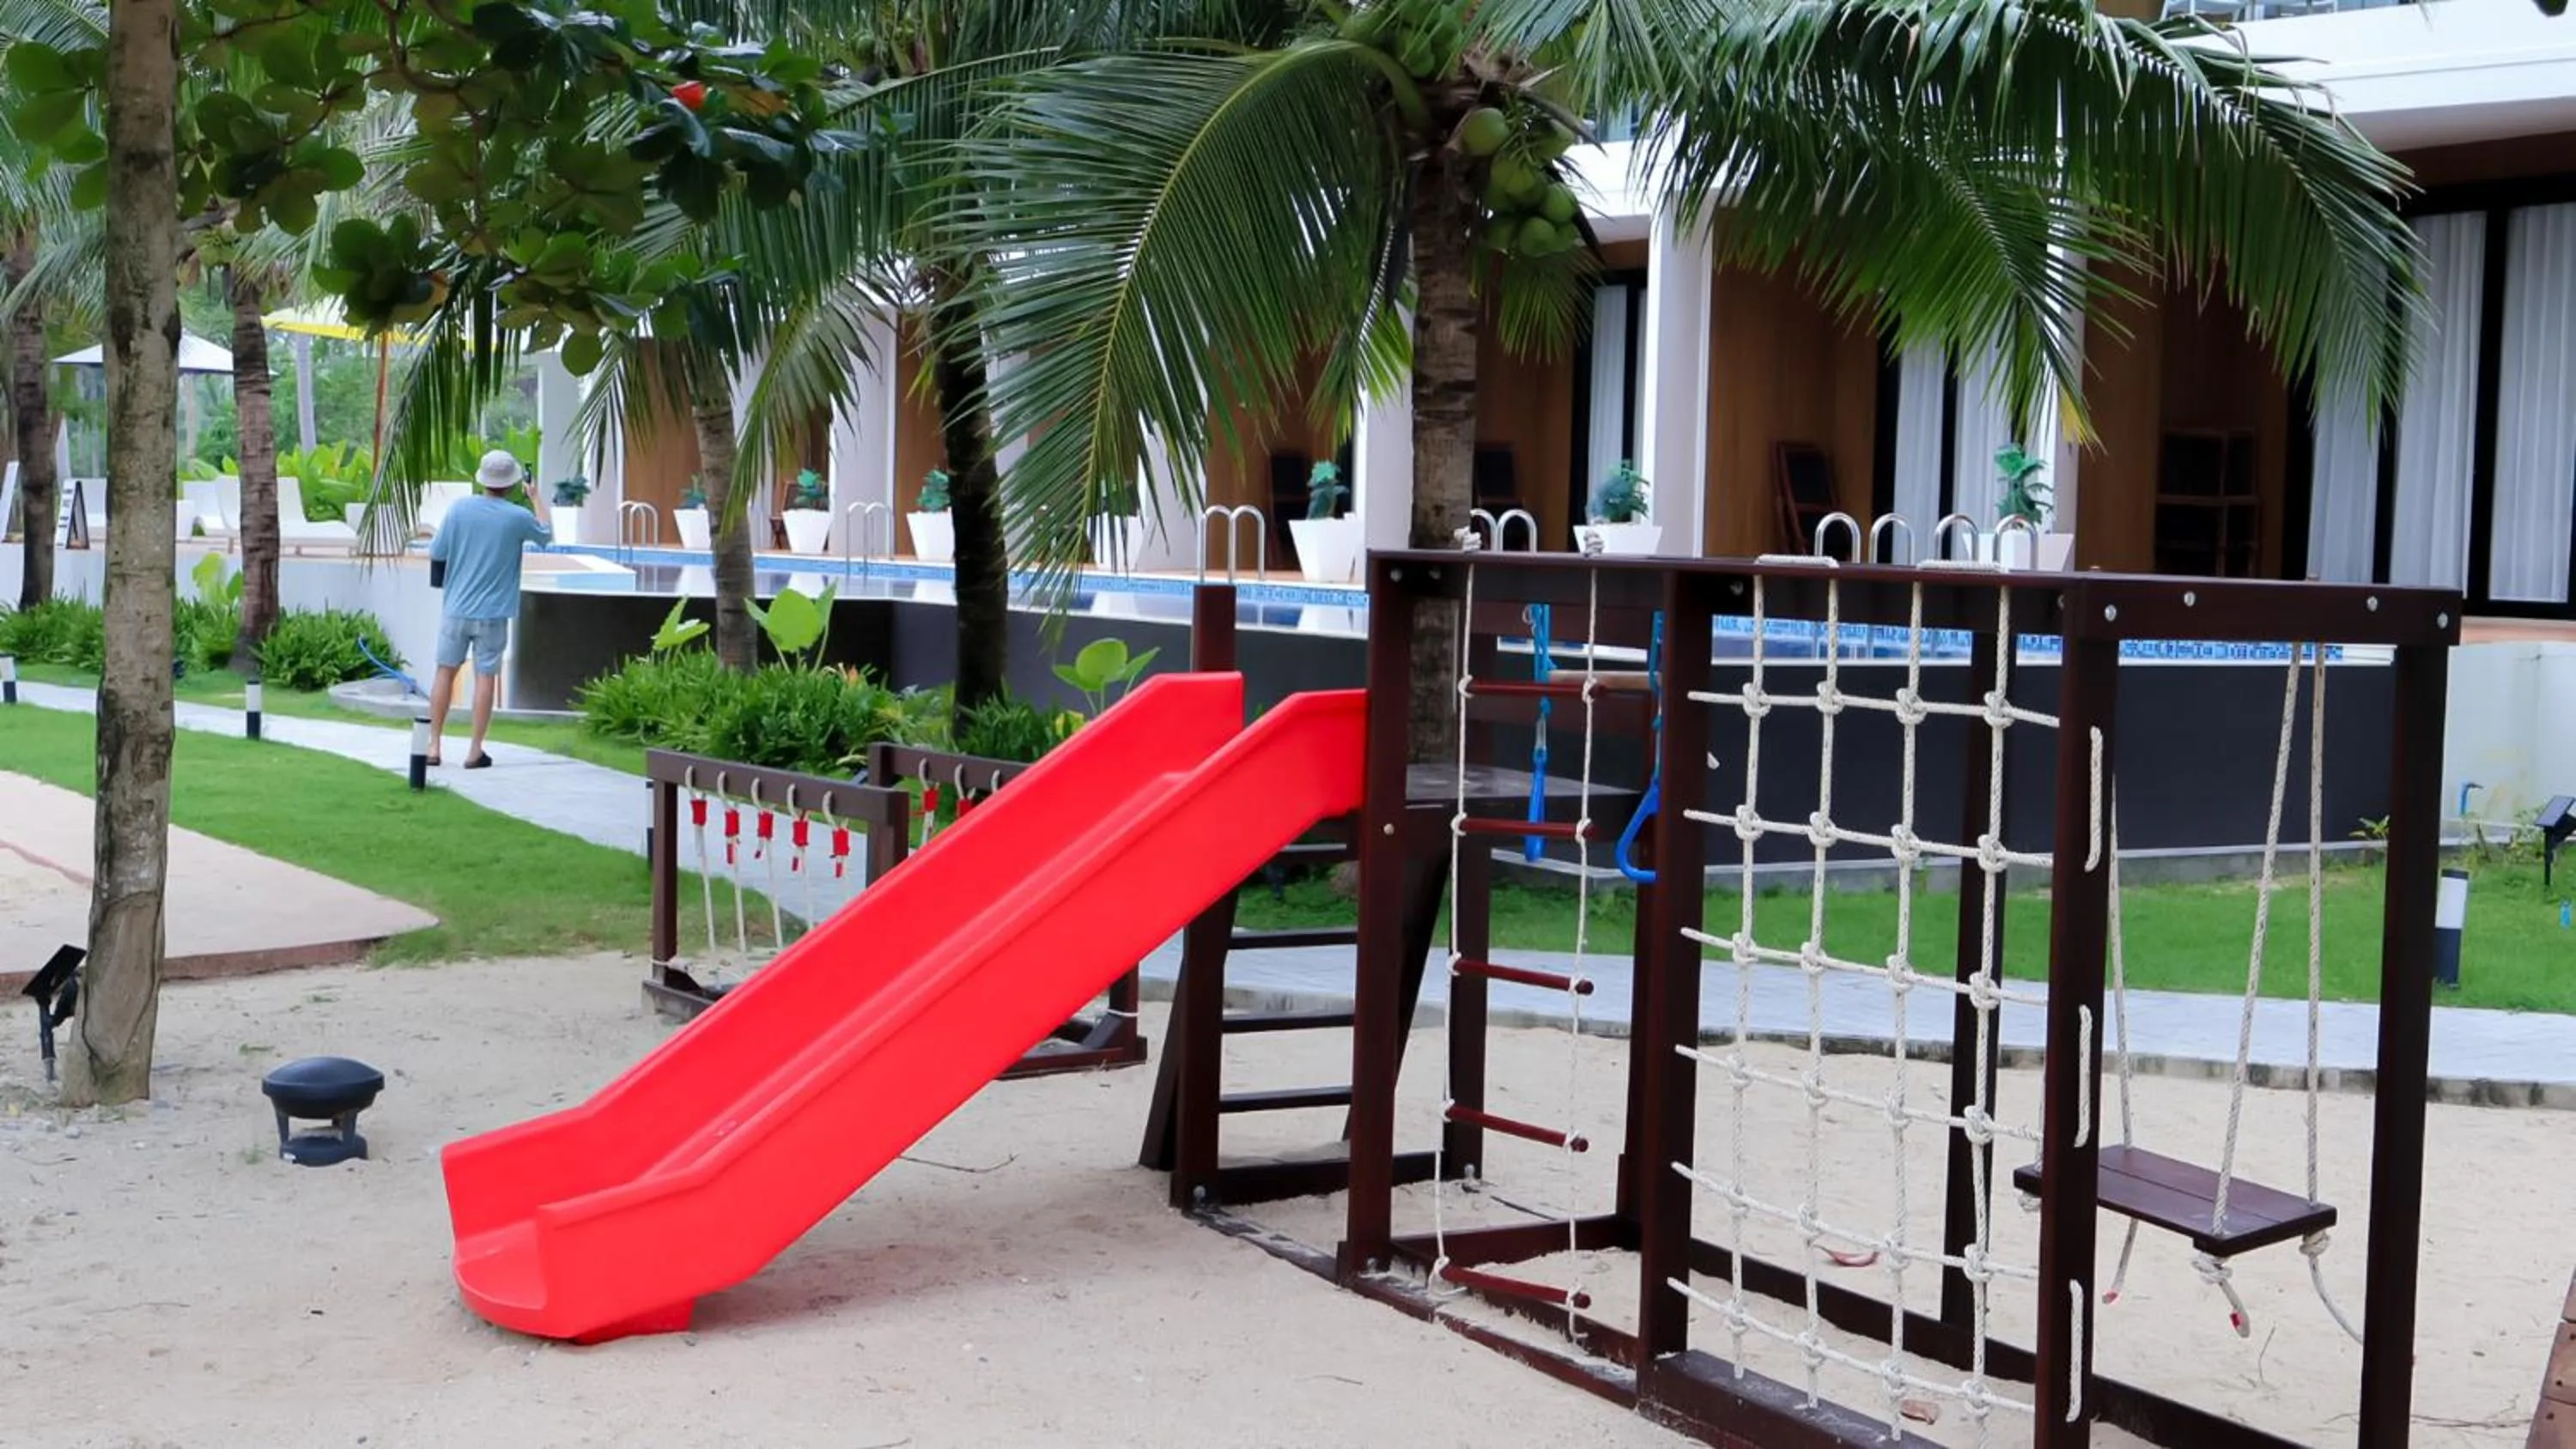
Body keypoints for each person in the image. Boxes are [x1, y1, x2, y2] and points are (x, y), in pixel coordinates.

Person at [426, 450, 551, 768]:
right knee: (485, 678)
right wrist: (535, 497)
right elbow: (547, 536)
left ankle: (433, 745)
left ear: (482, 479)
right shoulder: (517, 517)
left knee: (444, 672)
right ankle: (474, 750)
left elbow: (437, 551)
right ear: (511, 484)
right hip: (493, 615)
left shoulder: (458, 509)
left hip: (456, 610)